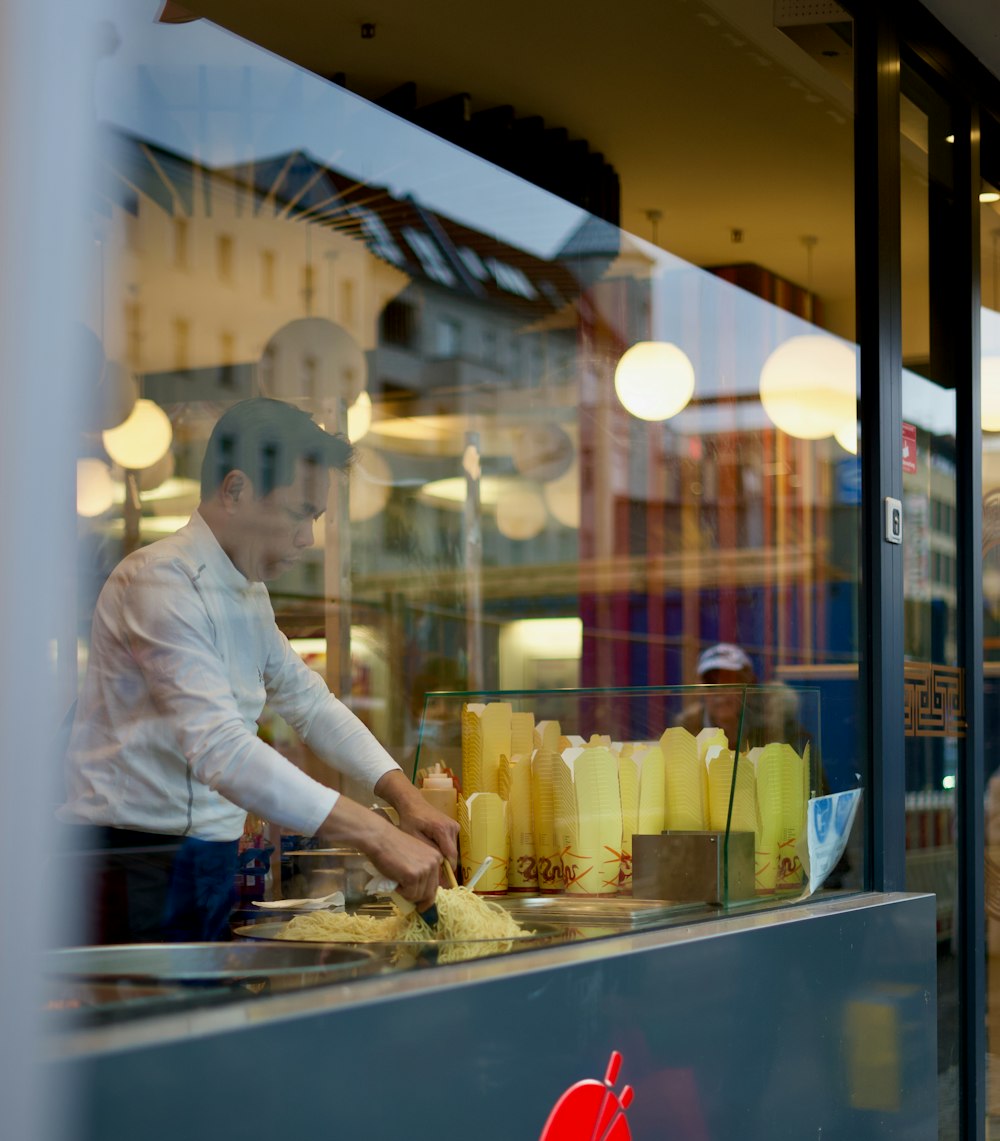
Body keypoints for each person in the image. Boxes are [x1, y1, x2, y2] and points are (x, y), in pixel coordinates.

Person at [59, 397, 458, 943]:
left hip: (208, 859)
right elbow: (221, 749)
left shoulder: (248, 594)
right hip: (134, 861)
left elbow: (311, 704)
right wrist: (375, 835)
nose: (307, 540)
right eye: (301, 514)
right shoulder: (158, 581)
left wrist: (405, 799)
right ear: (236, 490)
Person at [676, 642, 758, 750]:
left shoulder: (765, 725)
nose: (719, 690)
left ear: (748, 685)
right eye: (711, 681)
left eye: (729, 681)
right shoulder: (686, 726)